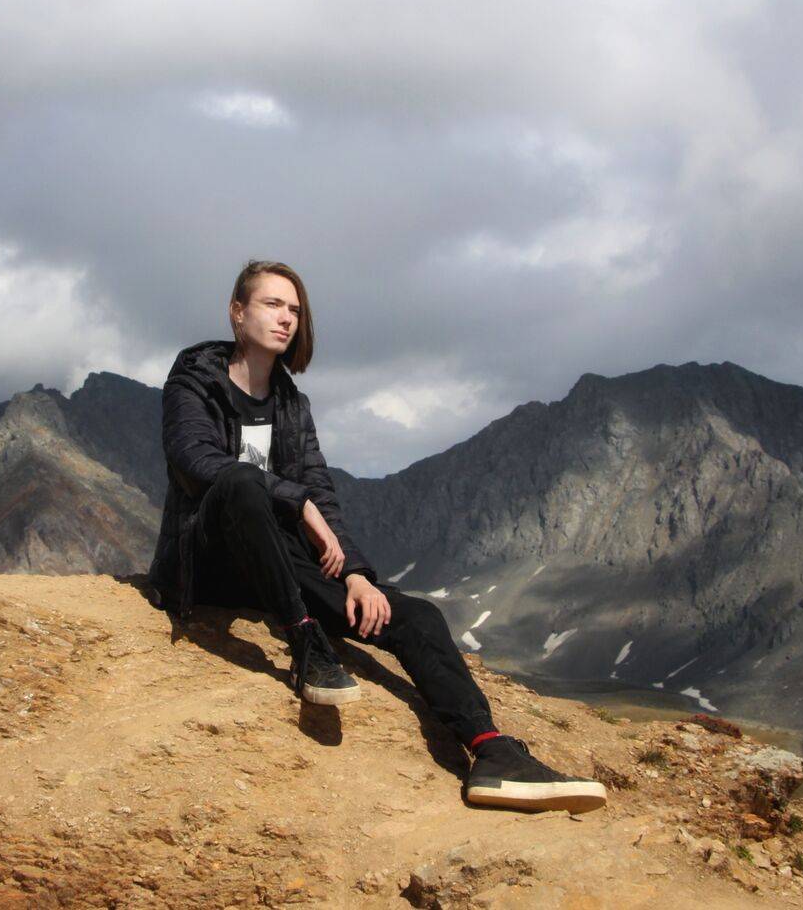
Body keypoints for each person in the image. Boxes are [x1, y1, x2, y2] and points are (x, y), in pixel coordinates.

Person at [146, 259, 606, 814]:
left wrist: (358, 574)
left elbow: (320, 488)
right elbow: (195, 461)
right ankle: (306, 644)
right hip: (208, 562)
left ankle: (491, 752)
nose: (286, 318)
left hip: (278, 568)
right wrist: (295, 501)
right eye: (272, 304)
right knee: (243, 482)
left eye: (295, 310)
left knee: (414, 616)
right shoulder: (194, 380)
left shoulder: (292, 404)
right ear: (237, 312)